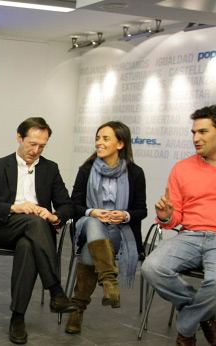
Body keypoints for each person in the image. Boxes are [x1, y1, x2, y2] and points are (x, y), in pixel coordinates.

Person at [0, 117, 76, 344]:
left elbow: (67, 205)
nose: (36, 150)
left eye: (42, 146)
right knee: (33, 221)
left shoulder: (50, 168)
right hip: (5, 228)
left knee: (28, 244)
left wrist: (54, 216)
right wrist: (14, 207)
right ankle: (56, 291)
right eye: (32, 144)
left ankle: (17, 318)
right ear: (19, 138)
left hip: (36, 235)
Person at [141, 105, 216, 346]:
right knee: (152, 267)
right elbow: (174, 220)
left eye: (203, 132)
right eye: (193, 132)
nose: (196, 138)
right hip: (190, 236)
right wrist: (165, 216)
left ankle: (186, 326)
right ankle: (205, 315)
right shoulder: (182, 168)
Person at [65, 121, 147, 334]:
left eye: (105, 138)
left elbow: (141, 210)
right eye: (98, 138)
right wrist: (93, 212)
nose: (99, 143)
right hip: (87, 226)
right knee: (94, 224)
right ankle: (109, 281)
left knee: (89, 252)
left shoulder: (135, 173)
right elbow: (74, 205)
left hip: (120, 231)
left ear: (120, 144)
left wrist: (125, 214)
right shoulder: (86, 170)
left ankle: (78, 310)